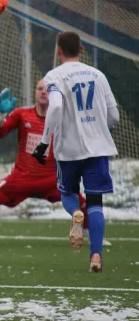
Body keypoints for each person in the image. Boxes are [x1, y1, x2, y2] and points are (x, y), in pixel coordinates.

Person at [0, 80, 108, 246]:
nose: (43, 92)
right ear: (35, 93)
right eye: (40, 89)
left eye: (48, 89)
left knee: (82, 203)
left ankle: (93, 236)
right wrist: (0, 116)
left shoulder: (63, 119)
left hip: (51, 180)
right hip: (21, 179)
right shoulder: (22, 114)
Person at [32, 32, 119, 273]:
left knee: (68, 193)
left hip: (68, 149)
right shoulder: (98, 75)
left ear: (59, 51)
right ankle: (96, 256)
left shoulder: (55, 76)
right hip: (98, 148)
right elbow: (114, 116)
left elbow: (56, 105)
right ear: (80, 49)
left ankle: (75, 213)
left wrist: (43, 142)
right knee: (96, 202)